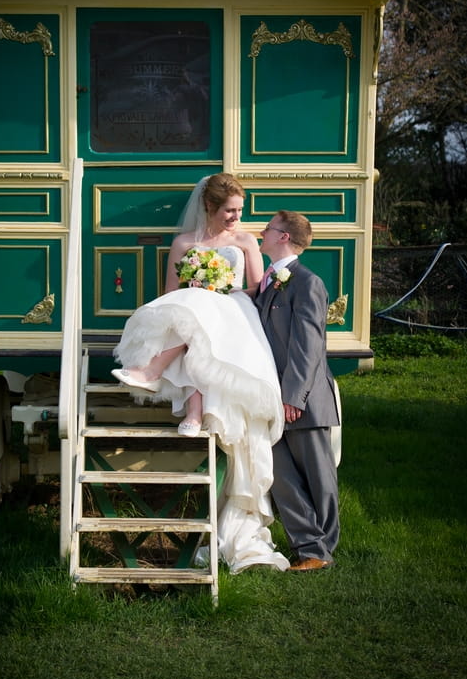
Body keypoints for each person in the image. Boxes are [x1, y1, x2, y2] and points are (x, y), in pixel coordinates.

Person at [111, 173, 290, 573]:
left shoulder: (244, 242)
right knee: (191, 312)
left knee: (206, 315)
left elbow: (259, 289)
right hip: (194, 311)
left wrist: (221, 291)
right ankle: (192, 409)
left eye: (240, 211)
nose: (236, 218)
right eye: (230, 210)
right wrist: (200, 292)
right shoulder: (184, 244)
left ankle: (158, 374)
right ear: (209, 208)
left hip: (235, 311)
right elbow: (170, 291)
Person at [255, 210, 340, 572]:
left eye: (268, 228)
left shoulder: (307, 282)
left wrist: (294, 396)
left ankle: (320, 550)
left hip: (301, 399)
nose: (261, 232)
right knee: (280, 475)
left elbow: (308, 345)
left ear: (284, 237)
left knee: (318, 479)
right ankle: (310, 548)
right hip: (271, 397)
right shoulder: (270, 281)